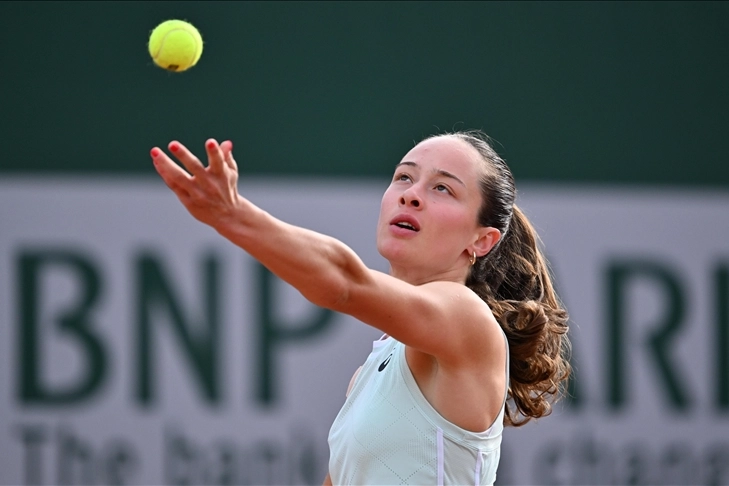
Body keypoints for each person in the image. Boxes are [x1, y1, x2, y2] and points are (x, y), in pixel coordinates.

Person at [150, 129, 571, 485]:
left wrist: (234, 216)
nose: (412, 196)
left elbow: (345, 284)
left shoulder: (466, 317)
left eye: (442, 188)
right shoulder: (371, 371)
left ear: (482, 240)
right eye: (404, 177)